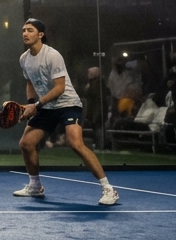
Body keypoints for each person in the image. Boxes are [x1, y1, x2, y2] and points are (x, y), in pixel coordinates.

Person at [12, 19, 119, 205]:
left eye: (30, 30)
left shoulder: (53, 55)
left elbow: (59, 88)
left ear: (40, 34)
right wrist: (31, 104)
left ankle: (109, 190)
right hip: (45, 107)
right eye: (23, 30)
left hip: (67, 104)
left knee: (75, 143)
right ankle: (35, 186)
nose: (25, 33)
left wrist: (35, 105)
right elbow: (30, 82)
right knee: (26, 143)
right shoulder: (24, 59)